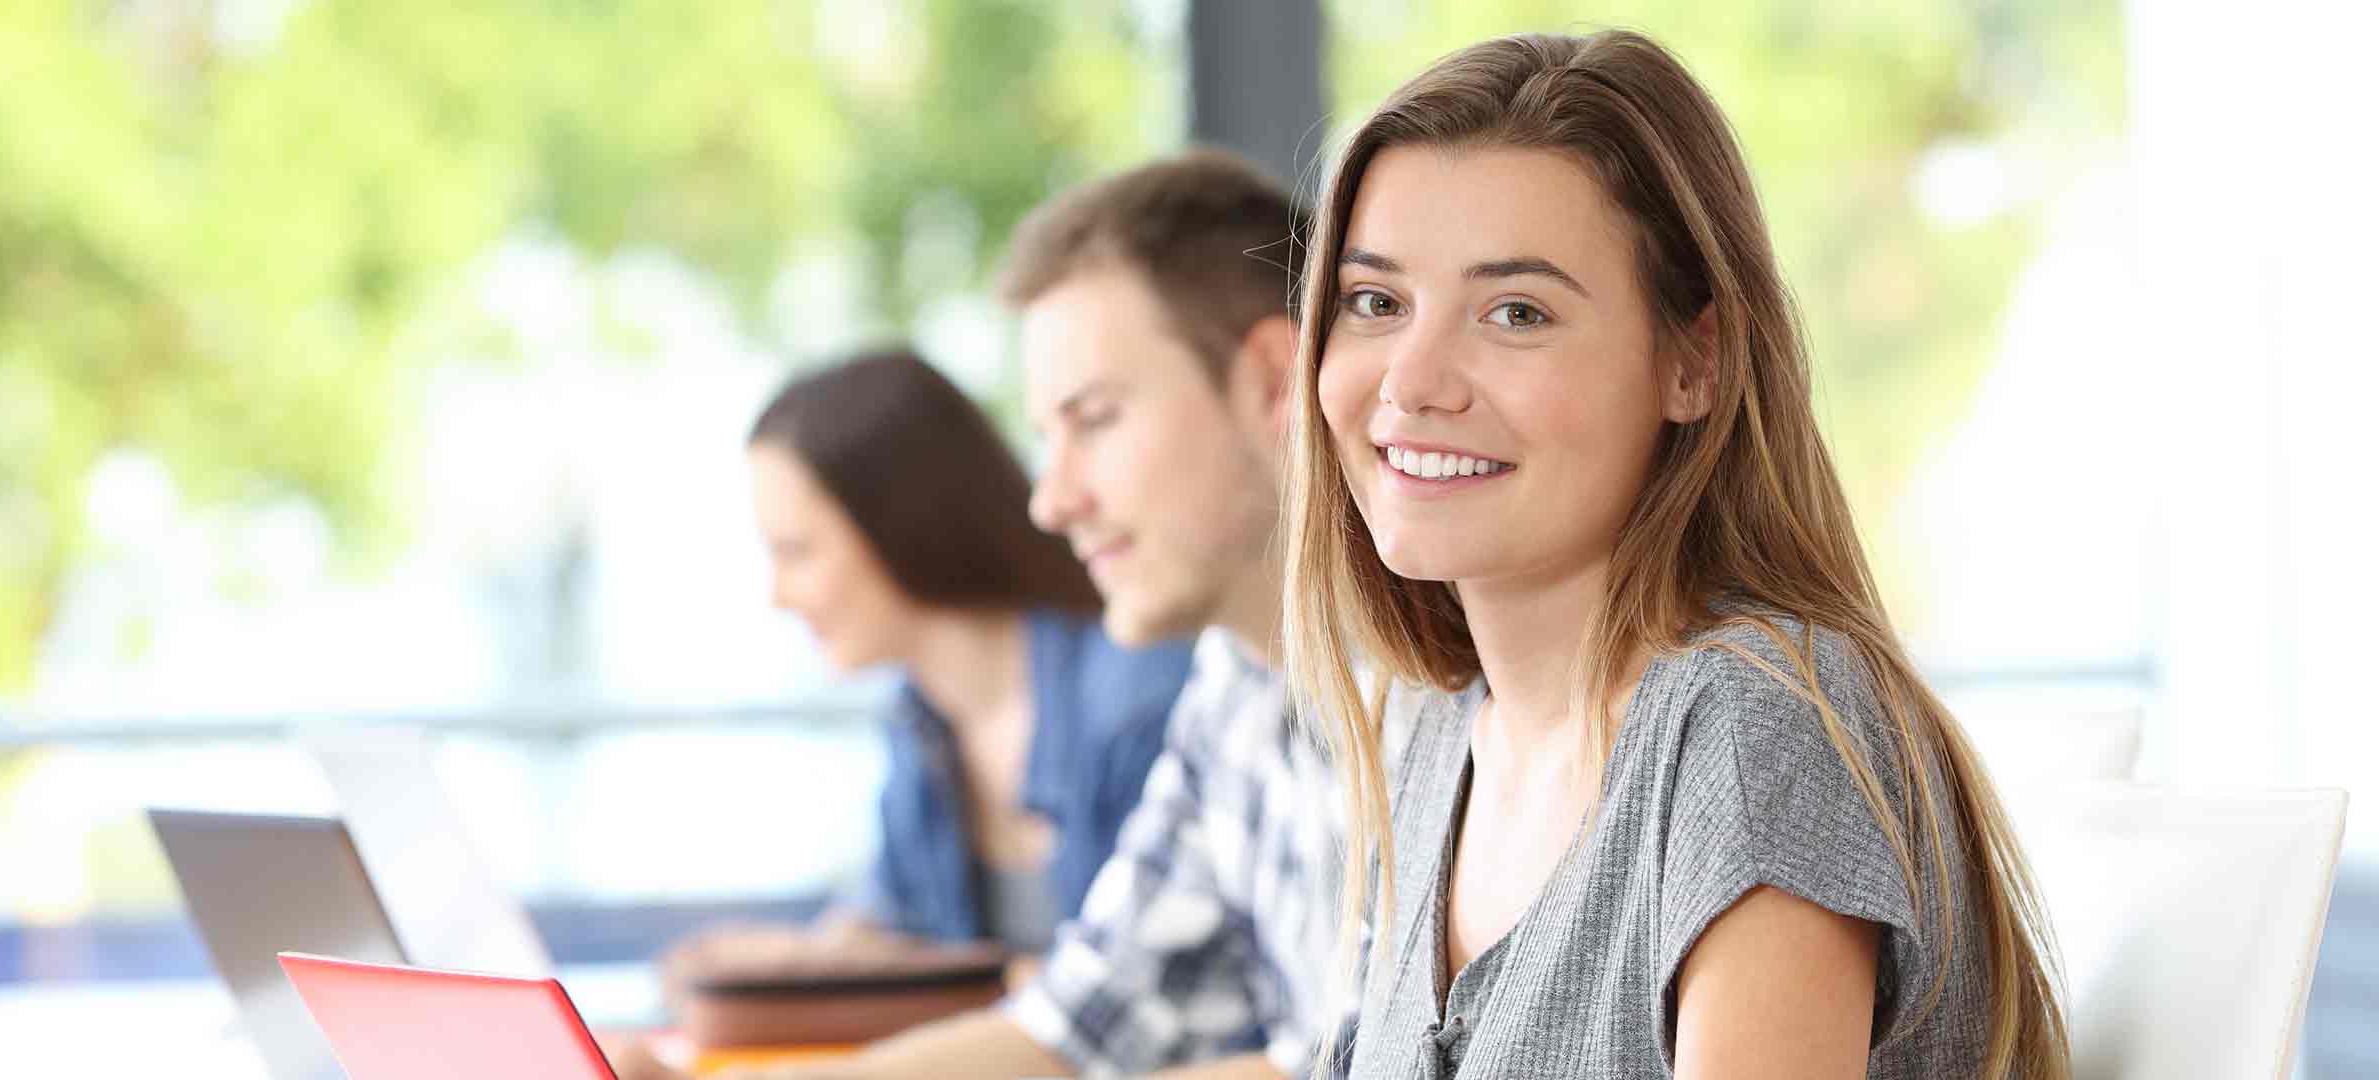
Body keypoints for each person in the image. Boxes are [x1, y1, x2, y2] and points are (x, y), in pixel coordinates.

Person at [1286, 31, 2070, 1079]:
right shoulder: (1440, 735)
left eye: (1516, 313)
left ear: (1692, 363)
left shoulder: (1753, 728)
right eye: (1375, 303)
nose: (1413, 381)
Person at [619, 150, 1344, 1080]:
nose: (1052, 500)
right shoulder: (1234, 690)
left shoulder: (1431, 698)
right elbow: (1076, 1024)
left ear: (1274, 384)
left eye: (1096, 418)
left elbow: (1335, 1067)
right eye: (1048, 435)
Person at [662, 347, 1192, 991]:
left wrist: (940, 984)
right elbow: (898, 926)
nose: (778, 595)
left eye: (796, 552)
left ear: (900, 525)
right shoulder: (921, 724)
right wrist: (792, 963)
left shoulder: (1140, 700)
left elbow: (1142, 998)